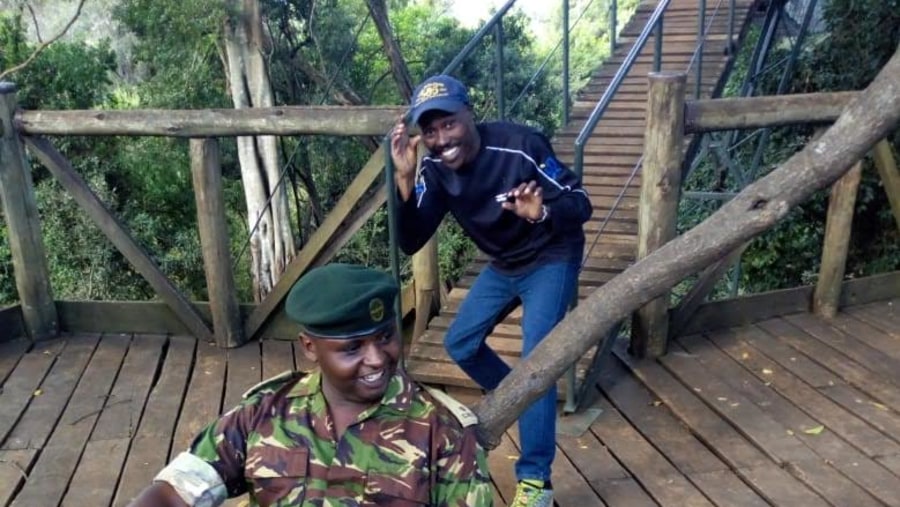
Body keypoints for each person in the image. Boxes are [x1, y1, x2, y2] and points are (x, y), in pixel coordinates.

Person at [127, 263, 493, 507]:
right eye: (352, 348)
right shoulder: (264, 412)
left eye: (385, 337)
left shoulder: (441, 431)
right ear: (309, 347)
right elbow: (175, 490)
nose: (378, 358)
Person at [390, 74, 592, 507]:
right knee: (460, 343)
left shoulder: (521, 146)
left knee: (536, 361)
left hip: (551, 254)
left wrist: (542, 213)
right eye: (429, 131)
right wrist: (405, 181)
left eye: (449, 124)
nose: (441, 139)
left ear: (470, 114)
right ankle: (525, 398)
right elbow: (411, 239)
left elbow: (580, 203)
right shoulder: (434, 169)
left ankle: (536, 481)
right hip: (504, 264)